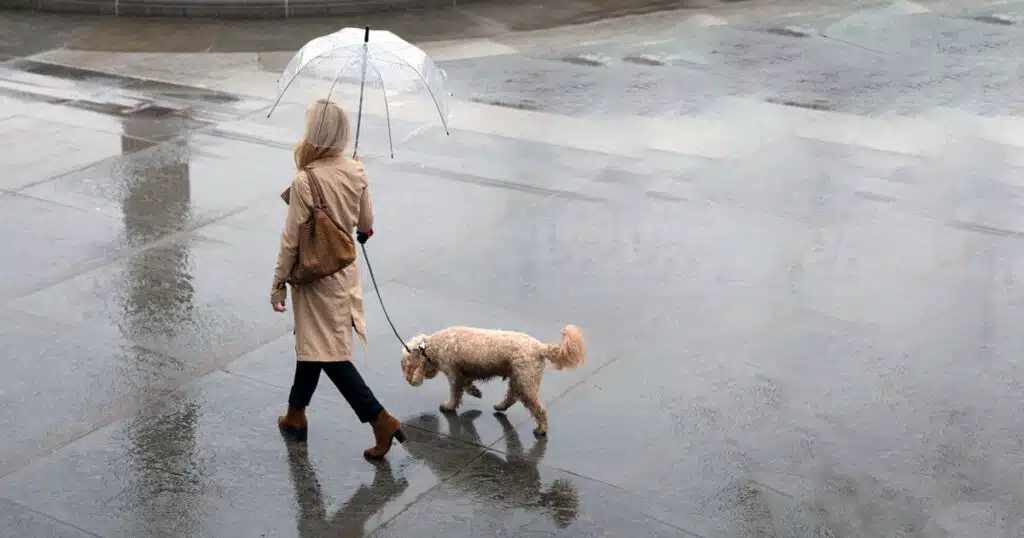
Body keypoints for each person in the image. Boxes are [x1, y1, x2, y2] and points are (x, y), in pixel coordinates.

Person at [271, 98, 405, 460]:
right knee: (315, 343)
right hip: (344, 274)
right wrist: (355, 179)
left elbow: (291, 240)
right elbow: (366, 224)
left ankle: (380, 419)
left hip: (314, 276)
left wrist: (277, 283)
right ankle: (296, 414)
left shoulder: (305, 180)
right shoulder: (356, 171)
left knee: (329, 355)